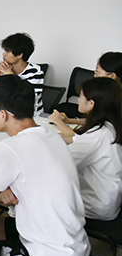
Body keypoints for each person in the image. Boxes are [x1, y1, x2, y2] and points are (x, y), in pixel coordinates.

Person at [0, 75, 90, 256]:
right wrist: (5, 189)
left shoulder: (10, 147)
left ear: (3, 114)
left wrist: (1, 193)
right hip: (75, 247)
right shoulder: (51, 135)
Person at [49, 77, 122, 221]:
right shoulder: (111, 126)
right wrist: (51, 136)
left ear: (91, 104)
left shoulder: (98, 135)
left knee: (38, 190)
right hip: (109, 197)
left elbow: (61, 164)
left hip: (95, 204)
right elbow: (80, 141)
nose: (78, 99)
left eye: (81, 96)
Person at [0, 33, 44, 114]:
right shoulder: (5, 70)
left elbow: (23, 101)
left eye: (7, 51)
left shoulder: (35, 71)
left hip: (29, 116)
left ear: (19, 55)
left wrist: (10, 75)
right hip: (7, 115)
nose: (3, 54)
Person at [57, 51, 122, 122]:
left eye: (97, 72)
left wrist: (60, 123)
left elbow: (104, 124)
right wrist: (70, 121)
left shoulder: (113, 98)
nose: (95, 75)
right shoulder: (109, 92)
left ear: (112, 76)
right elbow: (98, 121)